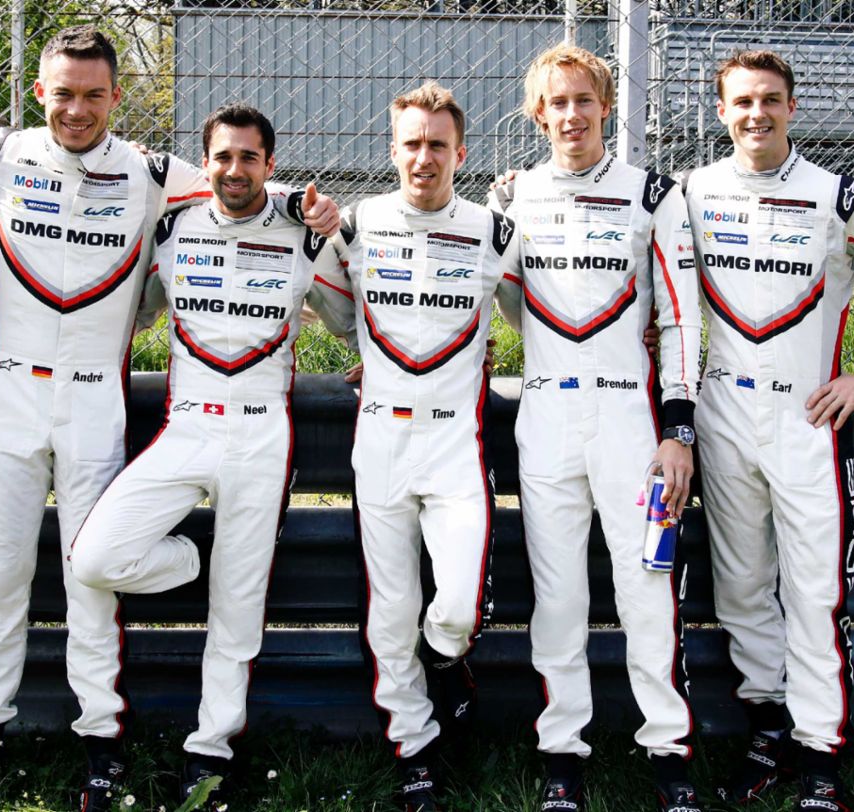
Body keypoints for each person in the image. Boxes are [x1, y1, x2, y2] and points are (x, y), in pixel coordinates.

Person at [0, 25, 338, 811]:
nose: (77, 110)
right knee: (0, 578)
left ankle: (101, 739)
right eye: (63, 93)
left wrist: (307, 206)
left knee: (92, 585)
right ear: (40, 91)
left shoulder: (152, 172)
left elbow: (238, 189)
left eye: (93, 95)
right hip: (9, 395)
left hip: (93, 400)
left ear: (117, 97)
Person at [69, 103, 352, 809]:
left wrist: (380, 356)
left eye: (249, 158)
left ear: (270, 164)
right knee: (97, 558)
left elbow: (353, 321)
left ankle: (210, 748)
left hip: (263, 432)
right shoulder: (170, 227)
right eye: (222, 157)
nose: (234, 170)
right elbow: (131, 310)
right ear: (207, 163)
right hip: (187, 426)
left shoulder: (303, 232)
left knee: (239, 604)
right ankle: (195, 558)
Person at [687, 50, 854, 811]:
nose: (755, 114)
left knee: (814, 593)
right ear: (721, 111)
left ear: (792, 107)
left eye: (770, 100)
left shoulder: (840, 195)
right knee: (737, 590)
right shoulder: (693, 192)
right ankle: (768, 733)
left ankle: (822, 757)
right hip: (723, 417)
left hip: (810, 422)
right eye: (741, 102)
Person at [488, 44, 704, 812]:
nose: (572, 115)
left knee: (648, 586)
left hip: (632, 421)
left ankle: (670, 754)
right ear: (536, 114)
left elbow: (680, 316)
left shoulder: (653, 192)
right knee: (558, 594)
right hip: (545, 414)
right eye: (557, 103)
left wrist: (678, 431)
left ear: (606, 106)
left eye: (585, 100)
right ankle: (562, 755)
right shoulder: (511, 198)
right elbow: (492, 304)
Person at [319, 81, 519, 812]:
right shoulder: (359, 223)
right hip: (379, 440)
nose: (424, 157)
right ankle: (415, 751)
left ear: (459, 152)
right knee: (390, 608)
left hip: (455, 445)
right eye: (411, 143)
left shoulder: (496, 229)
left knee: (457, 609)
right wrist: (369, 350)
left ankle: (447, 663)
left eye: (438, 144)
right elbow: (336, 308)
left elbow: (540, 316)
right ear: (392, 148)